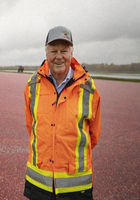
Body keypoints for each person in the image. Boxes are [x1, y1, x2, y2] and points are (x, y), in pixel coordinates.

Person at [23, 26, 101, 200]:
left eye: (64, 50)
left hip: (76, 187)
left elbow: (93, 136)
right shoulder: (32, 85)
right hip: (39, 184)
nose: (59, 56)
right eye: (53, 50)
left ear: (71, 52)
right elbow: (32, 127)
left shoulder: (89, 88)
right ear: (46, 53)